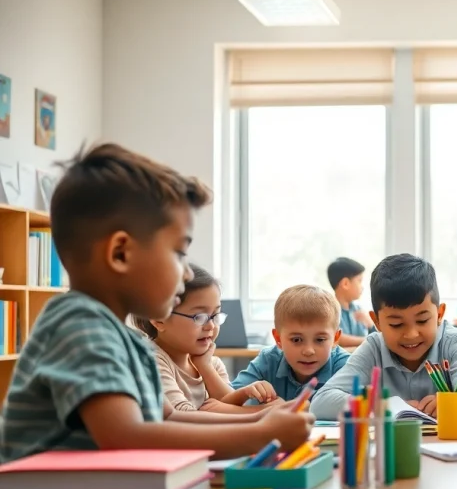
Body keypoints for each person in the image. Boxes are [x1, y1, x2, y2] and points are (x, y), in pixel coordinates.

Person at [0, 143, 311, 463]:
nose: (187, 271)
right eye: (179, 252)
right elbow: (125, 436)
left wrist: (259, 418)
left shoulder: (129, 341)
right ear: (121, 253)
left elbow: (171, 419)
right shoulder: (79, 324)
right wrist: (262, 435)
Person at [312, 254, 457, 420]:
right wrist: (384, 406)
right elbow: (321, 403)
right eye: (396, 324)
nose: (411, 334)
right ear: (377, 322)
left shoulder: (456, 343)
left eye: (422, 320)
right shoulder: (374, 347)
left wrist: (449, 404)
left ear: (439, 314)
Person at [132, 263, 277, 414]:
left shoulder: (212, 363)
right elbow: (183, 417)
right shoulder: (151, 359)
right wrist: (264, 413)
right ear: (159, 319)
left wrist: (207, 369)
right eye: (199, 317)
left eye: (215, 315)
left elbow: (230, 408)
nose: (211, 326)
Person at [231, 285, 350, 401]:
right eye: (296, 340)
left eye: (320, 340)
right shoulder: (268, 360)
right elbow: (225, 399)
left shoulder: (345, 366)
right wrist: (245, 392)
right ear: (278, 339)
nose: (308, 351)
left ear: (335, 338)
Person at [328, 257, 374, 348]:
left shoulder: (358, 310)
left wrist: (370, 325)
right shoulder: (329, 310)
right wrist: (369, 340)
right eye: (359, 281)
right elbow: (337, 338)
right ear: (345, 284)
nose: (362, 287)